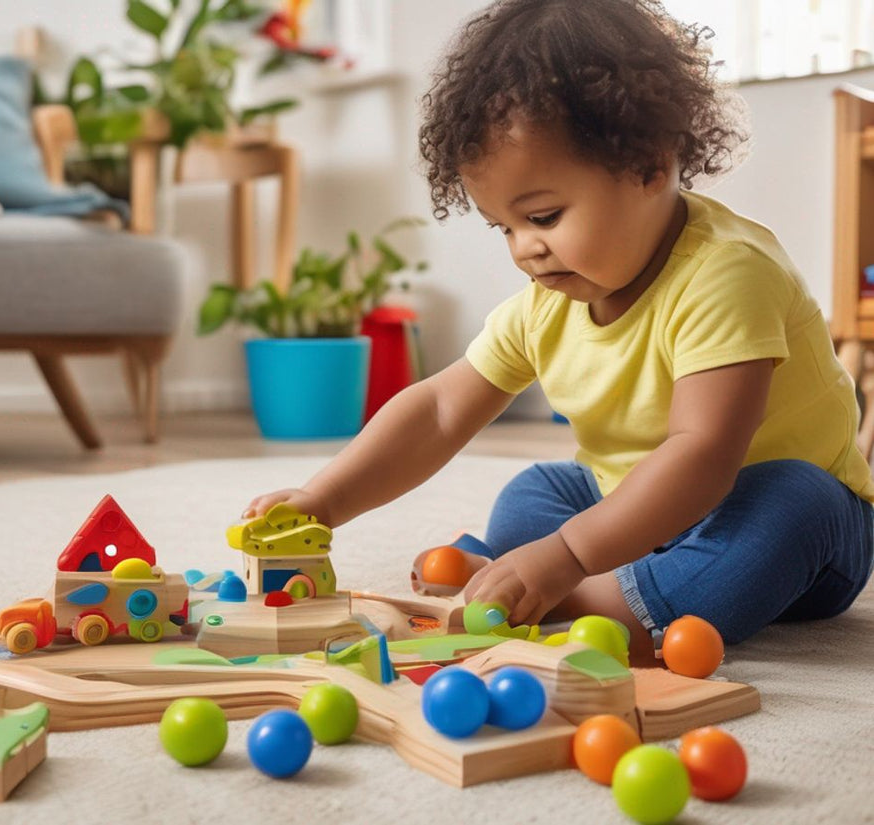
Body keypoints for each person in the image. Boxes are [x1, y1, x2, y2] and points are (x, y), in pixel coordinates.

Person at [241, 0, 874, 663]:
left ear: (649, 167)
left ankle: (579, 597)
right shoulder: (547, 303)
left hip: (775, 517)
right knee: (535, 492)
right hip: (631, 510)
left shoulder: (727, 274)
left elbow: (704, 457)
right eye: (503, 226)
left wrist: (568, 554)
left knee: (798, 503)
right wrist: (326, 498)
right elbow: (438, 409)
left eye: (543, 216)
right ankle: (577, 583)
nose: (523, 250)